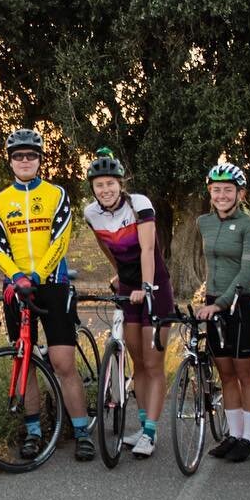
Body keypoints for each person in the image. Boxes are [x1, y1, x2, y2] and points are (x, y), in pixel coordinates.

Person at [0, 127, 95, 461]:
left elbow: (60, 240)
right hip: (16, 288)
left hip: (53, 285)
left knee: (63, 362)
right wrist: (17, 276)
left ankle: (80, 429)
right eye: (18, 156)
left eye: (30, 155)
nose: (24, 161)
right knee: (25, 361)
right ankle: (34, 430)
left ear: (39, 160)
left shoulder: (56, 194)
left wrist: (37, 274)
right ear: (10, 161)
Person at [83, 148, 174, 458]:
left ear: (120, 184)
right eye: (99, 185)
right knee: (137, 362)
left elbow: (147, 250)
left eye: (110, 183)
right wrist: (117, 275)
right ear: (92, 188)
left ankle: (151, 432)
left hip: (155, 287)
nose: (105, 190)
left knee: (153, 363)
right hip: (128, 286)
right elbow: (106, 247)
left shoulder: (139, 205)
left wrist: (147, 287)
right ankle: (143, 425)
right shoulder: (91, 213)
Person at [195, 162, 250, 463]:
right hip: (213, 304)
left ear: (240, 193)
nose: (221, 195)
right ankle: (234, 434)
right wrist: (207, 299)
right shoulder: (203, 222)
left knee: (244, 372)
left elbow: (246, 273)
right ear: (210, 192)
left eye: (228, 190)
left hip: (240, 304)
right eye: (216, 190)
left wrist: (219, 303)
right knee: (225, 372)